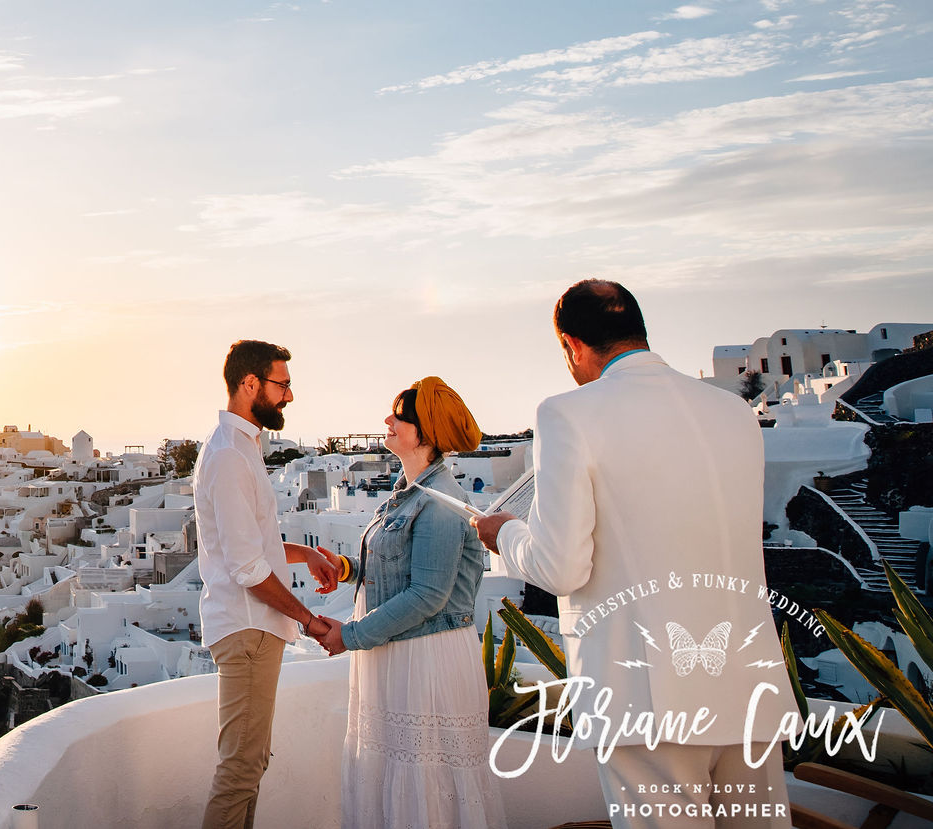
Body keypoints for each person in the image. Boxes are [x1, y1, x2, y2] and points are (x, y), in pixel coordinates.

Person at [473, 280, 796, 823]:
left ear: (571, 345)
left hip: (645, 691)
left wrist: (504, 533)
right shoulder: (733, 412)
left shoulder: (567, 413)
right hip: (747, 686)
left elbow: (559, 565)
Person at [309, 379, 504, 829]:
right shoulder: (408, 493)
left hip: (425, 662)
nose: (387, 421)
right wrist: (344, 567)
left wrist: (349, 636)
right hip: (398, 657)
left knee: (423, 786)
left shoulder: (442, 505)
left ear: (426, 432)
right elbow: (396, 571)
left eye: (400, 414)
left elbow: (428, 596)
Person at [194, 339, 339, 829]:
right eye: (283, 384)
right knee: (239, 771)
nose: (289, 397)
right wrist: (309, 619)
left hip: (251, 629)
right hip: (249, 628)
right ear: (249, 384)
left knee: (250, 765)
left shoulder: (239, 448)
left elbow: (250, 544)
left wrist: (306, 554)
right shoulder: (231, 455)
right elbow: (247, 568)